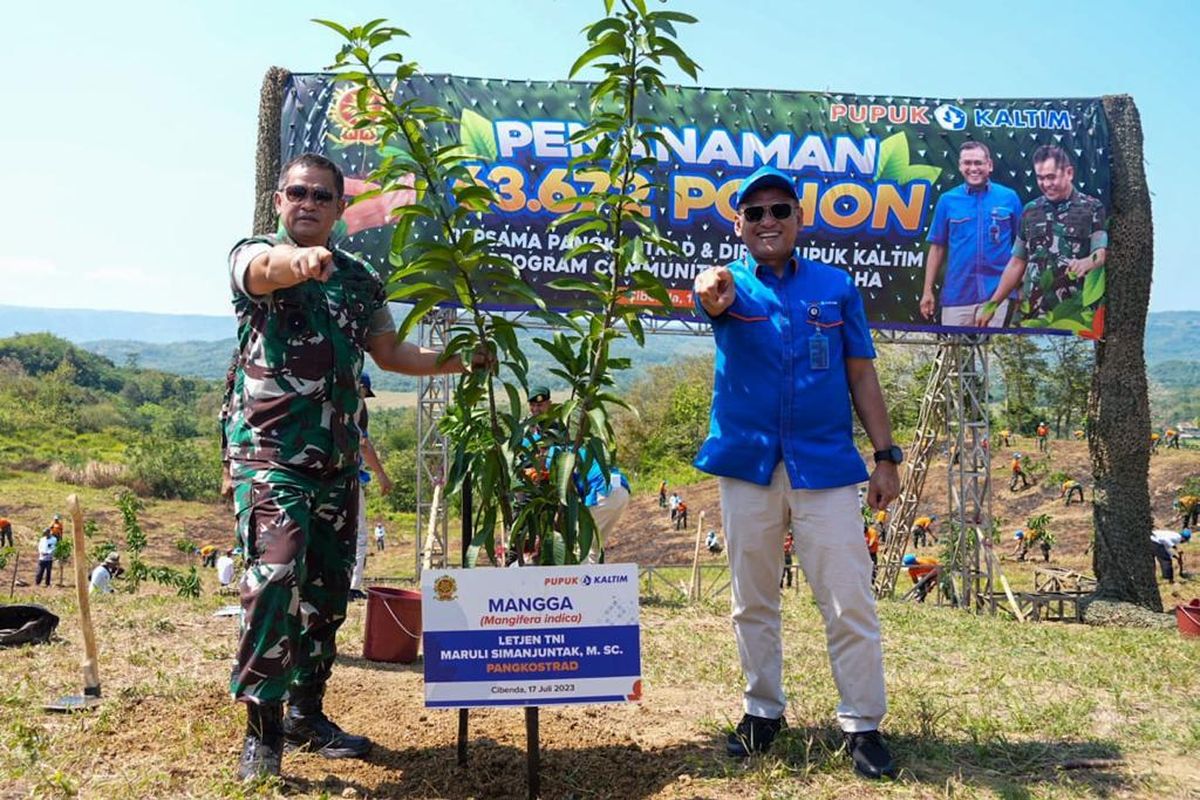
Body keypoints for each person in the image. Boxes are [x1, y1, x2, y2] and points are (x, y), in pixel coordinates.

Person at [223, 152, 483, 780]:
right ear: (278, 202)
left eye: (320, 196)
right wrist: (299, 263)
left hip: (336, 461)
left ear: (341, 209)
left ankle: (306, 713)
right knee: (276, 577)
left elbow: (389, 351)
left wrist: (457, 361)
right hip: (271, 456)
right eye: (296, 194)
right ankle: (263, 728)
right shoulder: (251, 253)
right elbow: (263, 271)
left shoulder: (361, 277)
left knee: (328, 595)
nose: (307, 204)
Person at [693, 165, 899, 779]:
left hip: (825, 466)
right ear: (739, 225)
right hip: (746, 465)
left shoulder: (835, 287)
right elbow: (706, 292)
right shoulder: (729, 285)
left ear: (799, 220)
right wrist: (707, 290)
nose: (768, 222)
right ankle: (762, 712)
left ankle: (863, 724)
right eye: (754, 213)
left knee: (848, 600)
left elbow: (861, 373)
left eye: (780, 210)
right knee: (752, 599)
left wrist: (886, 455)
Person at [975, 145, 1108, 328]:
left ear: (1069, 173)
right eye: (1040, 178)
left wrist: (1086, 263)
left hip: (1075, 314)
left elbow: (1100, 254)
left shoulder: (1092, 208)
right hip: (1033, 314)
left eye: (1051, 177)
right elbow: (1017, 263)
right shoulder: (1030, 211)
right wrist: (992, 304)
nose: (1046, 184)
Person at [920, 141, 1023, 327]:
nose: (973, 168)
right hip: (957, 296)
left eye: (978, 163)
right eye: (967, 163)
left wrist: (1020, 290)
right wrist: (927, 291)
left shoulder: (1009, 198)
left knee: (992, 353)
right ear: (960, 166)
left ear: (989, 165)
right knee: (955, 352)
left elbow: (1022, 248)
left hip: (998, 296)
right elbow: (937, 249)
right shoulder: (947, 200)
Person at [349, 373, 391, 602]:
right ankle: (353, 585)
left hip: (320, 475)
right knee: (358, 533)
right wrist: (381, 474)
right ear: (361, 387)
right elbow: (363, 445)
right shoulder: (357, 409)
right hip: (350, 477)